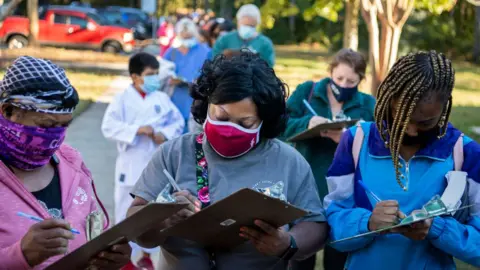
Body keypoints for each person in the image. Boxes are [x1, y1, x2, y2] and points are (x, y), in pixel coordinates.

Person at [126, 51, 328, 270]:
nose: (231, 130)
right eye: (222, 117)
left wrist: (287, 243)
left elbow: (315, 225)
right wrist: (163, 217)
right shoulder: (174, 153)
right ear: (206, 104)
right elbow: (136, 227)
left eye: (246, 123)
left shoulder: (288, 162)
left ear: (265, 120)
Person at [325, 51, 480, 269]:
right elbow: (332, 223)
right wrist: (367, 223)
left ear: (444, 107)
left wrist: (437, 229)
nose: (411, 131)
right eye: (400, 116)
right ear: (388, 99)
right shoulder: (356, 141)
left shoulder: (465, 153)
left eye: (425, 122)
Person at [0, 56, 131, 269]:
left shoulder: (72, 165)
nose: (55, 136)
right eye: (46, 125)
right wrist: (21, 255)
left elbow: (95, 231)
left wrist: (111, 257)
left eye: (63, 126)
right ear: (8, 111)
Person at [282, 48, 375, 270]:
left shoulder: (367, 104)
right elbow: (280, 125)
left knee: (339, 255)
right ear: (330, 72)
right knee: (300, 256)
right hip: (306, 184)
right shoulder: (308, 92)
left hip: (346, 192)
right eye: (339, 78)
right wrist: (307, 123)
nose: (343, 85)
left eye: (351, 81)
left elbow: (379, 145)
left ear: (360, 80)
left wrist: (348, 139)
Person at [101, 52, 184, 269]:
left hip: (156, 165)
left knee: (154, 213)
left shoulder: (162, 99)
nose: (155, 78)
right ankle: (125, 260)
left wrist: (163, 133)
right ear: (135, 77)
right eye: (150, 74)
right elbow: (108, 127)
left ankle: (148, 256)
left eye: (156, 74)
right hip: (130, 165)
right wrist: (136, 130)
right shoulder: (122, 99)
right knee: (125, 214)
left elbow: (177, 123)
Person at [164, 17, 211, 133]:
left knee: (194, 135)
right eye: (184, 37)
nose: (186, 40)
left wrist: (194, 81)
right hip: (175, 98)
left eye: (189, 37)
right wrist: (170, 79)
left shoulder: (205, 52)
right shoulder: (172, 53)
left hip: (196, 98)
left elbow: (211, 75)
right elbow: (161, 72)